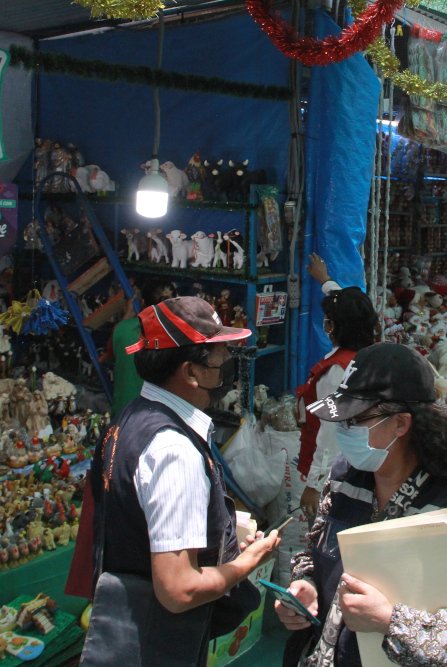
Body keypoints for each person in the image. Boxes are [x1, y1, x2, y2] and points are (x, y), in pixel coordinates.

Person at [279, 343, 447, 666]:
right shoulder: (343, 478)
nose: (343, 432)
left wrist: (391, 621)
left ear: (401, 424)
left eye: (355, 420)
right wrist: (306, 584)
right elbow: (315, 549)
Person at [77, 296, 280, 666]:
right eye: (219, 362)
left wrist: (226, 525)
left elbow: (141, 518)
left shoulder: (131, 418)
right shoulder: (173, 449)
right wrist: (247, 563)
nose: (224, 372)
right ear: (190, 372)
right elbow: (178, 590)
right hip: (158, 646)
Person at [297, 253, 380, 517]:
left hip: (338, 472)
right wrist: (326, 281)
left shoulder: (336, 370)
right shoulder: (369, 355)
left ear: (333, 328)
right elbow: (353, 308)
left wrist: (313, 485)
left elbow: (329, 434)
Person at [108, 277, 175, 415]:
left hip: (123, 415)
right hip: (158, 418)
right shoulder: (177, 336)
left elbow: (110, 355)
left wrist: (127, 316)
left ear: (143, 302)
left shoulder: (122, 329)